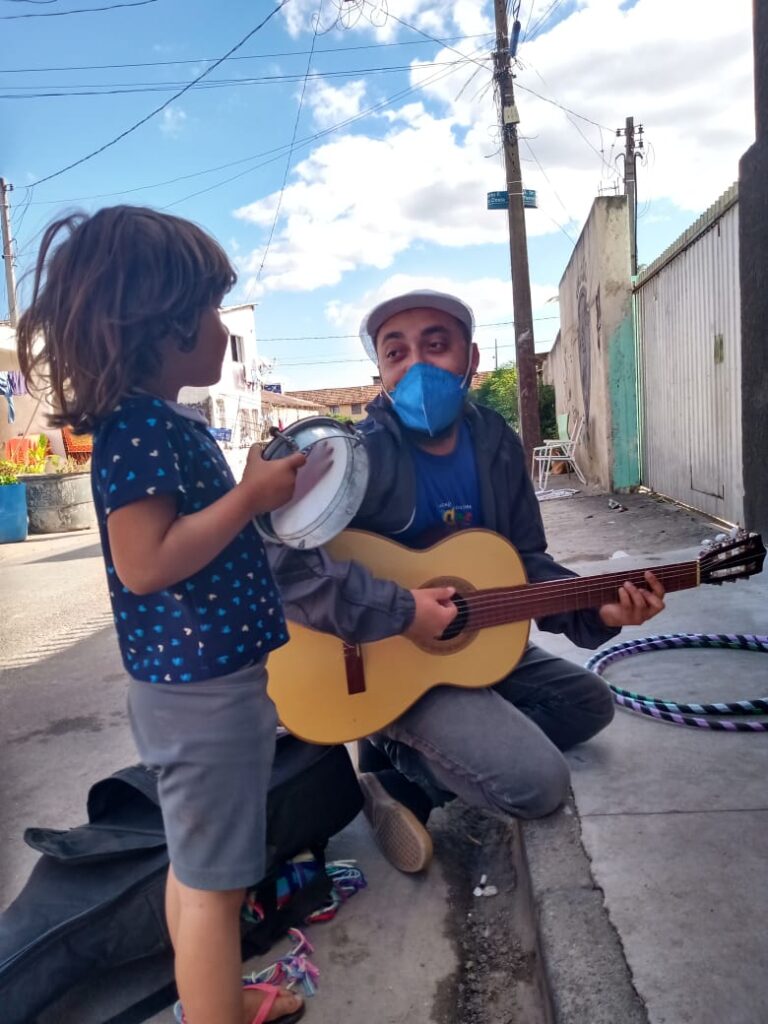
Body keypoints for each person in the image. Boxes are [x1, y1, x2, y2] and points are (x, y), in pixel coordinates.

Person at [16, 206, 312, 1024]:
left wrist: (255, 496)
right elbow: (146, 562)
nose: (224, 325)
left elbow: (196, 538)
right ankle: (214, 1008)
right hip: (202, 697)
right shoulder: (141, 427)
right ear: (165, 320)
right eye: (215, 307)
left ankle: (211, 994)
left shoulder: (160, 423)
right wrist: (250, 495)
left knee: (199, 867)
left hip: (204, 689)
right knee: (218, 888)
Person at [269, 289, 665, 875]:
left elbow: (525, 562)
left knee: (588, 707)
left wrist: (599, 613)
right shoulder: (353, 458)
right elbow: (281, 564)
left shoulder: (496, 443)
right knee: (539, 783)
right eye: (396, 352)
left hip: (464, 649)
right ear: (379, 369)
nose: (417, 365)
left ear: (471, 358)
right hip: (377, 659)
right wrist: (400, 610)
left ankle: (393, 752)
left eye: (436, 344)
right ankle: (404, 771)